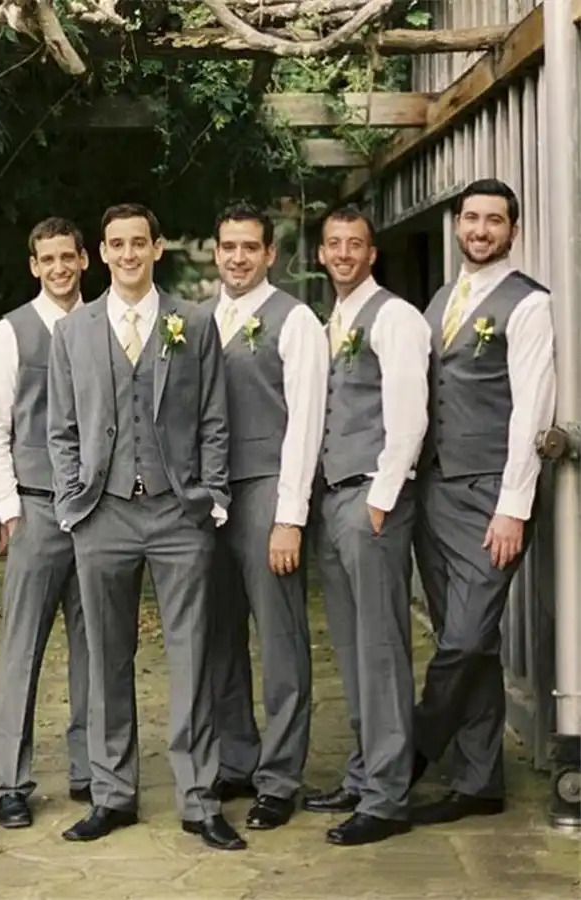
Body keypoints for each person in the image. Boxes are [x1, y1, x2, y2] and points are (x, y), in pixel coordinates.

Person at [48, 203, 244, 851]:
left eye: (139, 243)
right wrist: (74, 501)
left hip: (177, 512)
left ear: (157, 248)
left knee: (192, 654)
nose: (128, 254)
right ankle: (112, 794)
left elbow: (214, 417)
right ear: (102, 253)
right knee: (106, 655)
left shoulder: (194, 323)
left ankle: (200, 799)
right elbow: (61, 427)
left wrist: (212, 495)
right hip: (102, 513)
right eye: (116, 244)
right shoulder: (73, 331)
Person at [410, 179, 556, 824]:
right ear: (458, 225)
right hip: (434, 492)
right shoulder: (442, 298)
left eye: (494, 220)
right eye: (471, 218)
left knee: (466, 639)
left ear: (512, 231)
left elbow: (532, 411)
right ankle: (479, 781)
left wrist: (513, 506)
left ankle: (415, 747)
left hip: (489, 493)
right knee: (470, 642)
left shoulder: (529, 305)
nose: (480, 230)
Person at [305, 207, 431, 846]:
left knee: (380, 649)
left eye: (355, 244)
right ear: (321, 254)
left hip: (370, 499)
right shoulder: (332, 321)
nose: (344, 254)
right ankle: (362, 774)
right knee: (353, 648)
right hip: (334, 499)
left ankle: (387, 796)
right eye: (334, 244)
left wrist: (380, 500)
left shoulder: (396, 317)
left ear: (371, 254)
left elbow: (409, 416)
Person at [205, 202, 327, 829]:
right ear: (215, 252)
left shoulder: (294, 320)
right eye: (228, 247)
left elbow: (305, 422)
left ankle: (279, 777)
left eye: (249, 247)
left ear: (270, 254)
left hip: (267, 489)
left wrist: (290, 517)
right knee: (218, 633)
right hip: (210, 499)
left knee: (279, 638)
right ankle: (237, 757)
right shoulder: (198, 320)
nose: (238, 258)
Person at [0, 217, 91, 829]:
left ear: (84, 260)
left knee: (97, 646)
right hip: (37, 506)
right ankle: (11, 782)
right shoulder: (11, 333)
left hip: (98, 510)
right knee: (22, 648)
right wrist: (10, 510)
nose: (59, 268)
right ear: (34, 266)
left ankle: (92, 769)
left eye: (67, 257)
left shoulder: (103, 323)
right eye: (47, 259)